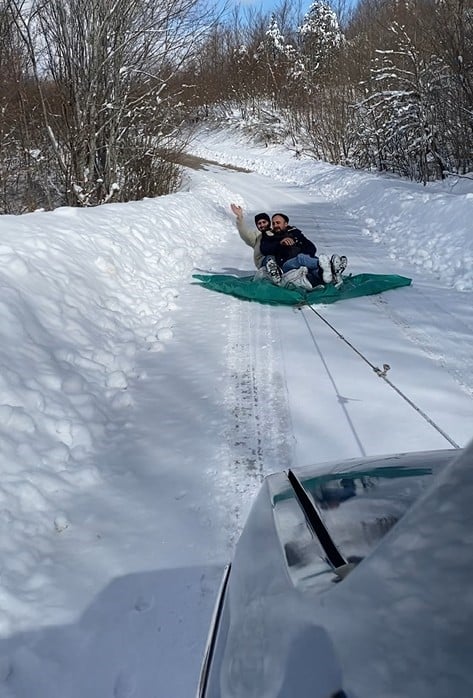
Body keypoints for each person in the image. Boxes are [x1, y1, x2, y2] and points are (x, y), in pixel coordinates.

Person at [230, 204, 282, 282]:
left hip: (279, 261)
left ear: (269, 222)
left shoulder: (276, 233)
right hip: (264, 262)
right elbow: (245, 234)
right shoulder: (257, 236)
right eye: (259, 223)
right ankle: (275, 276)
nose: (262, 225)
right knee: (269, 259)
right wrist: (240, 217)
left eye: (264, 222)